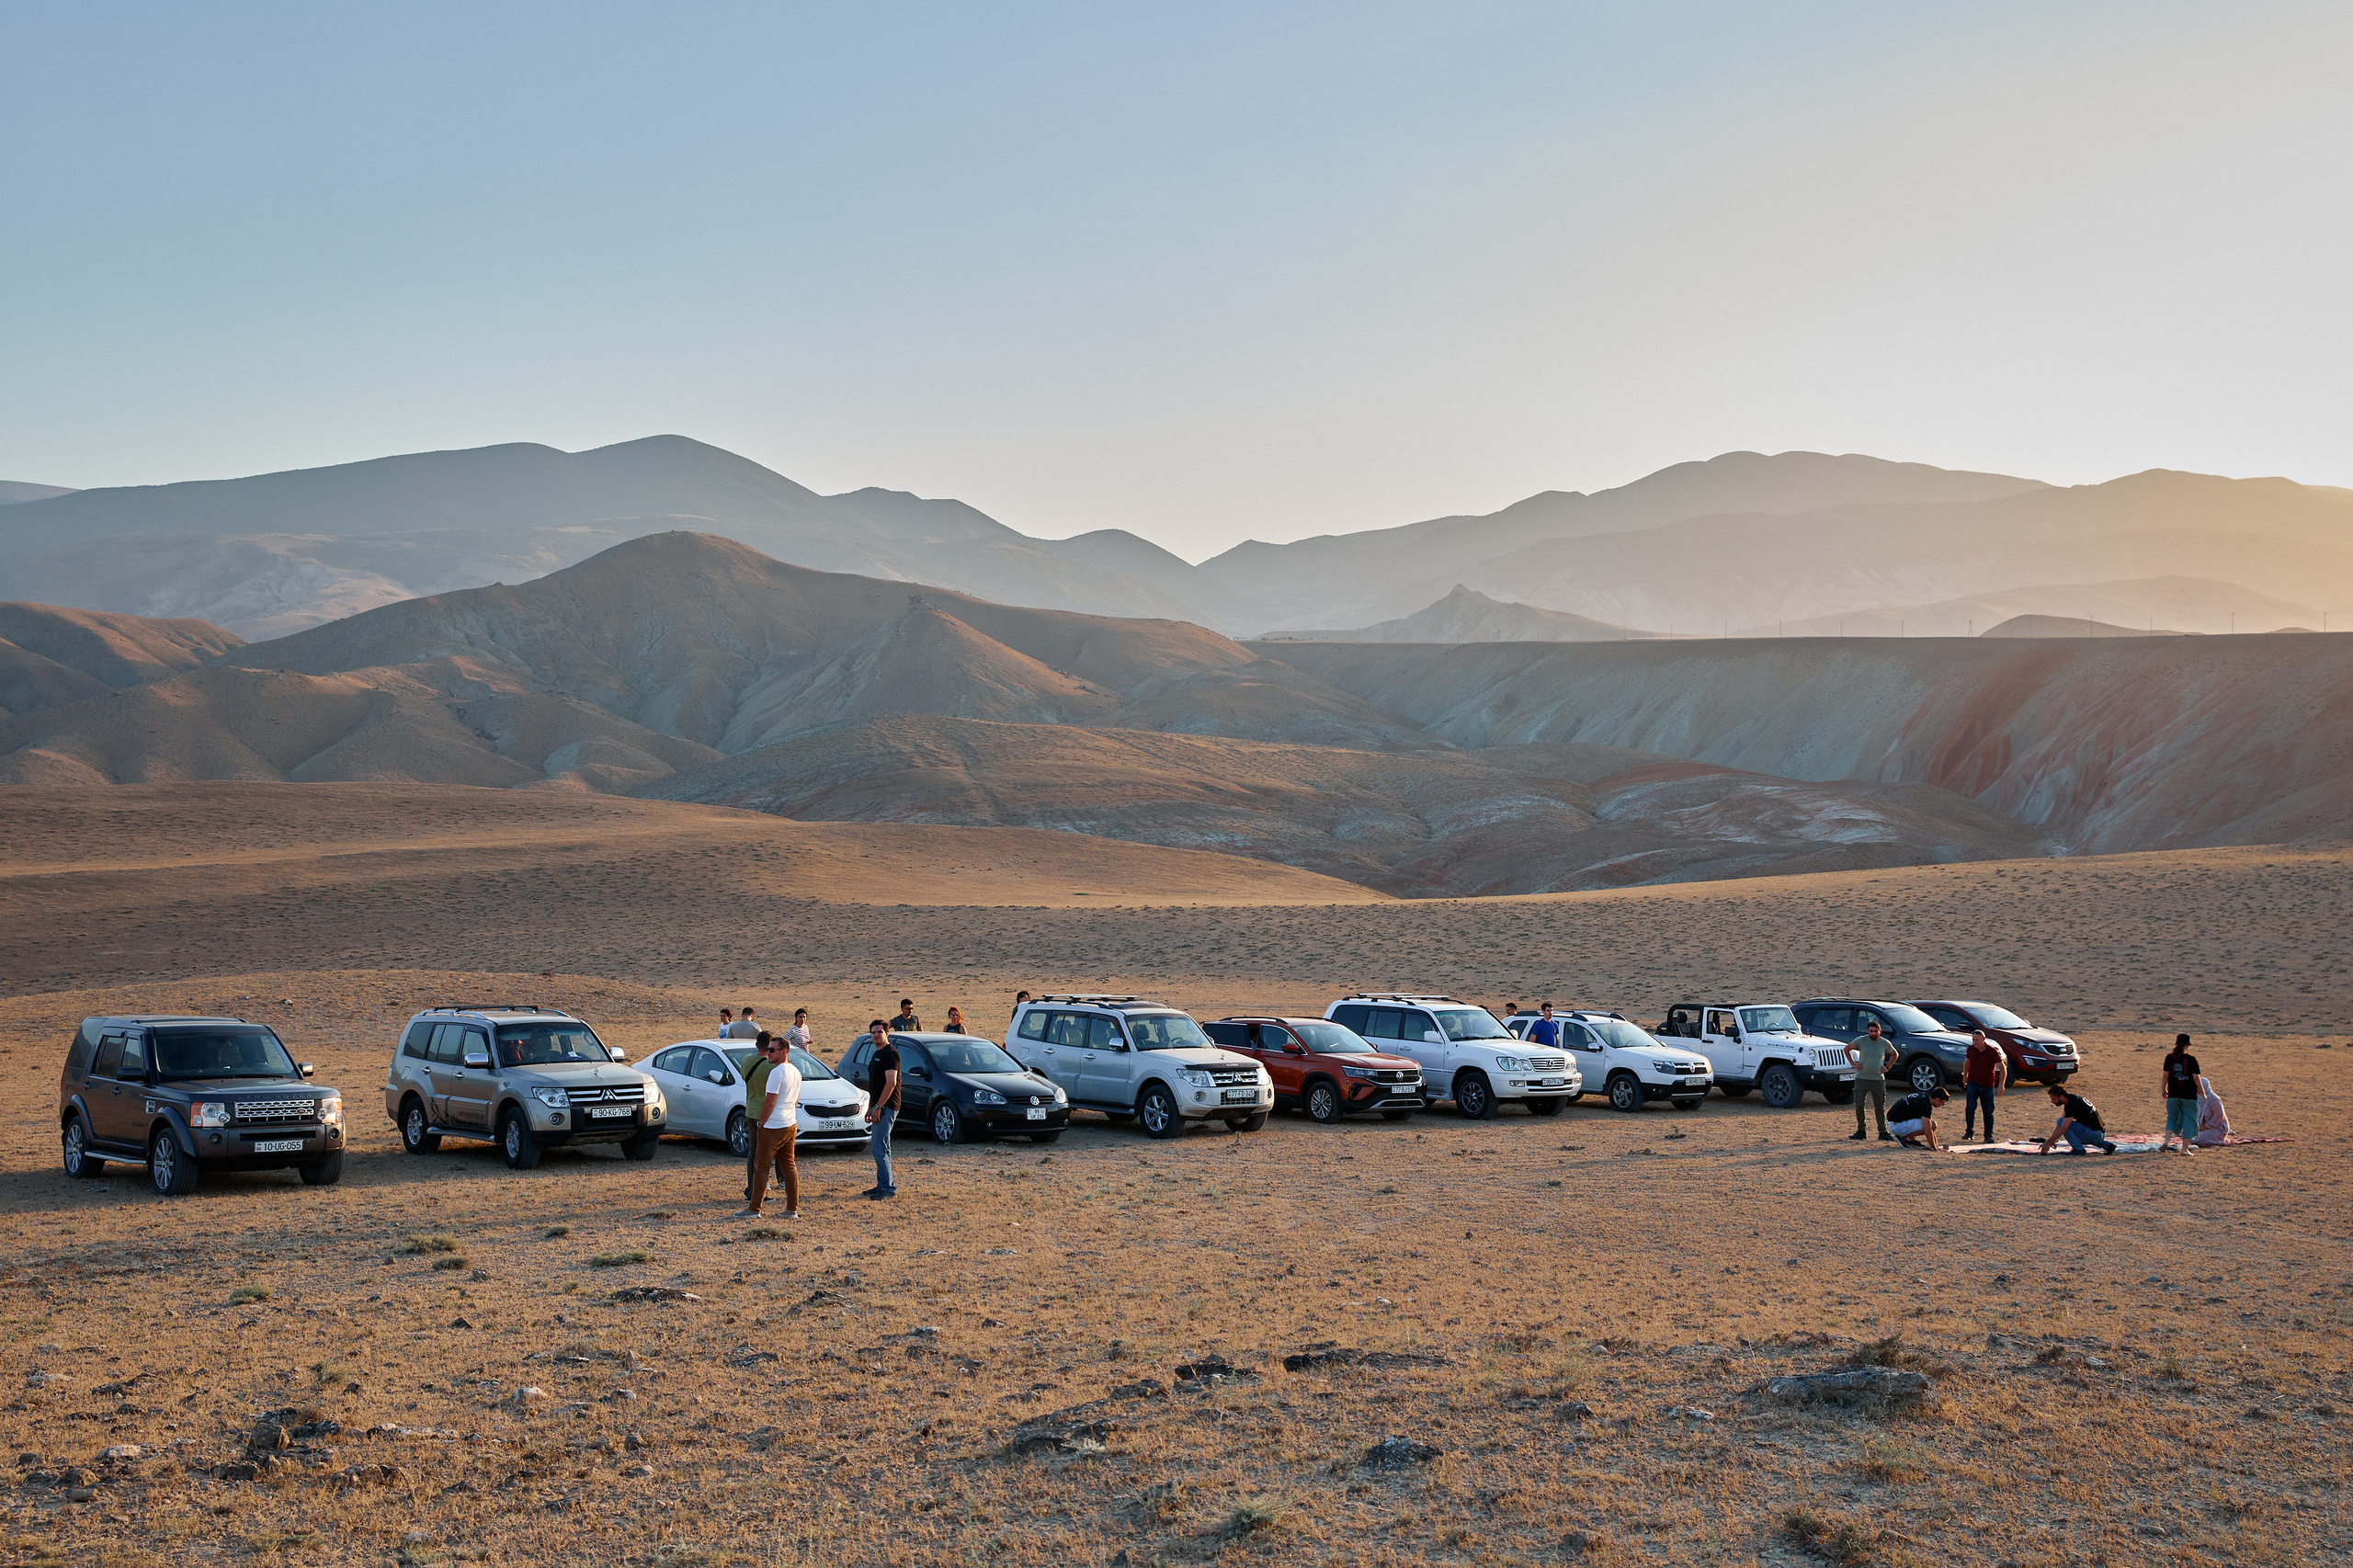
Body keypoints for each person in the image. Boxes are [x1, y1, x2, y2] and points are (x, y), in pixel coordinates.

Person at [734, 1034, 802, 1220]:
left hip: (774, 1126)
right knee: (789, 1166)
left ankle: (754, 1208)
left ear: (784, 1052)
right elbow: (795, 1100)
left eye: (772, 1050)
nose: (768, 1053)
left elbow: (769, 1102)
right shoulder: (795, 1071)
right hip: (790, 1123)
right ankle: (792, 1208)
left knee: (761, 1166)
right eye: (768, 1049)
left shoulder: (777, 1073)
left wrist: (762, 1123)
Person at [739, 1032, 787, 1203]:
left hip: (750, 1109)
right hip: (766, 1114)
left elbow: (744, 1077)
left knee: (753, 1152)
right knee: (767, 1155)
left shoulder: (746, 1060)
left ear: (756, 1044)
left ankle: (751, 1188)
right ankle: (761, 1191)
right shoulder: (772, 1066)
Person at [861, 1019, 901, 1199]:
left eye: (880, 1032)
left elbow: (891, 1083)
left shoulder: (890, 1054)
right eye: (873, 1032)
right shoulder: (877, 1053)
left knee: (879, 1148)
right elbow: (875, 1084)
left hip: (887, 1107)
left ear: (887, 1034)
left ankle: (888, 1188)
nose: (876, 1035)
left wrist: (879, 1106)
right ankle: (882, 1184)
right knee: (881, 1147)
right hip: (878, 1106)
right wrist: (871, 1106)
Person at [1845, 1020, 1897, 1142]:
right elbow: (1847, 1049)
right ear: (1868, 1031)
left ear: (1880, 1031)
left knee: (1880, 1107)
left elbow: (1895, 1054)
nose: (1873, 1033)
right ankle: (1861, 1131)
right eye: (1871, 1031)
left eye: (1876, 1031)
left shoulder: (1885, 1043)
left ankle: (1883, 1132)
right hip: (1861, 1078)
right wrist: (1853, 1064)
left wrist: (1888, 1067)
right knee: (1859, 1105)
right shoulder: (1861, 1040)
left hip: (1878, 1079)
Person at [2037, 1085, 2118, 1155]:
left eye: (2053, 1099)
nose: (2052, 1101)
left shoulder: (2072, 1104)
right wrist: (2052, 1140)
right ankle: (2108, 1146)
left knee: (2061, 1122)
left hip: (2094, 1134)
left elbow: (2063, 1128)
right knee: (2062, 1122)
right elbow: (2061, 1125)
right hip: (2099, 1133)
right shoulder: (2072, 1099)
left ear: (2061, 1097)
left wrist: (2047, 1143)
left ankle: (2078, 1149)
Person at [2161, 1034, 2202, 1156]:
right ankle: (2185, 1149)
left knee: (2172, 1117)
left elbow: (2165, 1075)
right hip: (2188, 1095)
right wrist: (2202, 1092)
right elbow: (2196, 1077)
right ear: (2188, 1045)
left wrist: (2163, 1089)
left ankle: (2166, 1141)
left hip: (2173, 1094)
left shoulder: (2169, 1058)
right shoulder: (2191, 1060)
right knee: (2189, 1119)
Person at [1961, 1028, 2006, 1142]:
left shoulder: (1992, 1051)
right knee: (1970, 1108)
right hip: (1973, 1083)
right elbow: (1967, 1062)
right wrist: (1965, 1077)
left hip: (1987, 1085)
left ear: (1984, 1040)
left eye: (1977, 1040)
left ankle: (1988, 1136)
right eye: (1973, 1040)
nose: (1975, 1042)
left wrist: (2001, 1085)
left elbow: (2002, 1068)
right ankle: (1969, 1132)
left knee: (1988, 1111)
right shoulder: (1971, 1050)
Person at [1887, 1085, 1950, 1150]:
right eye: (1943, 1103)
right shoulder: (1925, 1105)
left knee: (1930, 1124)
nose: (1942, 1105)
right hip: (1896, 1125)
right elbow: (1928, 1131)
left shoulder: (1923, 1097)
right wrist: (1935, 1149)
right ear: (1937, 1099)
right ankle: (1903, 1137)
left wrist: (1936, 1145)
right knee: (1932, 1125)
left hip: (1894, 1122)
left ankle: (1909, 1140)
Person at [2194, 1075, 2231, 1147]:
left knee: (2197, 1139)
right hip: (2203, 1127)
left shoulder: (2213, 1099)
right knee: (2188, 1136)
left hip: (2217, 1128)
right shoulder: (2198, 1098)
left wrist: (2206, 1126)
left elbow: (2218, 1116)